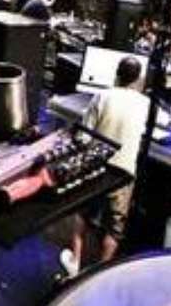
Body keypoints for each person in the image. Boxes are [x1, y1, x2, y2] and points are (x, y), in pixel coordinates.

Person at [61, 55, 148, 276]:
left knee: (82, 214)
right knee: (115, 228)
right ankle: (99, 274)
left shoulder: (102, 96)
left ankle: (74, 263)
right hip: (123, 173)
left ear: (117, 74)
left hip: (98, 168)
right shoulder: (145, 103)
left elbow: (84, 136)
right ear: (138, 79)